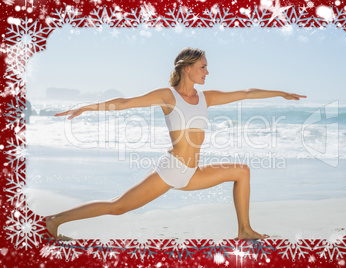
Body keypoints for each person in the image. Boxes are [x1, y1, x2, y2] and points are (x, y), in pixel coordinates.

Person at [47, 47, 306, 240]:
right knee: (118, 207)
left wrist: (281, 93)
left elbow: (246, 94)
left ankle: (244, 230)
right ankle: (54, 221)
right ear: (187, 68)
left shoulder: (207, 98)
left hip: (192, 172)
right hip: (172, 169)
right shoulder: (167, 96)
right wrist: (87, 107)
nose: (207, 72)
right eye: (203, 67)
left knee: (242, 171)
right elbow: (125, 103)